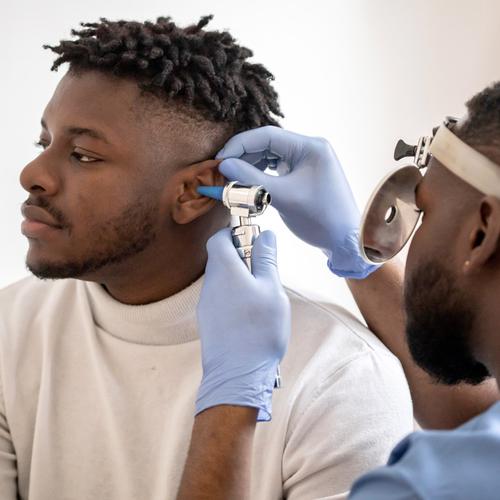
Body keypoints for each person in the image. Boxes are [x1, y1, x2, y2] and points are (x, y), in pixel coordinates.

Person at [0, 15, 415, 500]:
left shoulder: (338, 378)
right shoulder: (11, 331)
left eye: (84, 155)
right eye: (43, 142)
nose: (32, 173)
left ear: (195, 192)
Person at [177, 83, 500, 499]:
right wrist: (355, 257)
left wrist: (232, 396)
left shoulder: (423, 488)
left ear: (481, 233)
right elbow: (476, 419)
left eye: (424, 211)